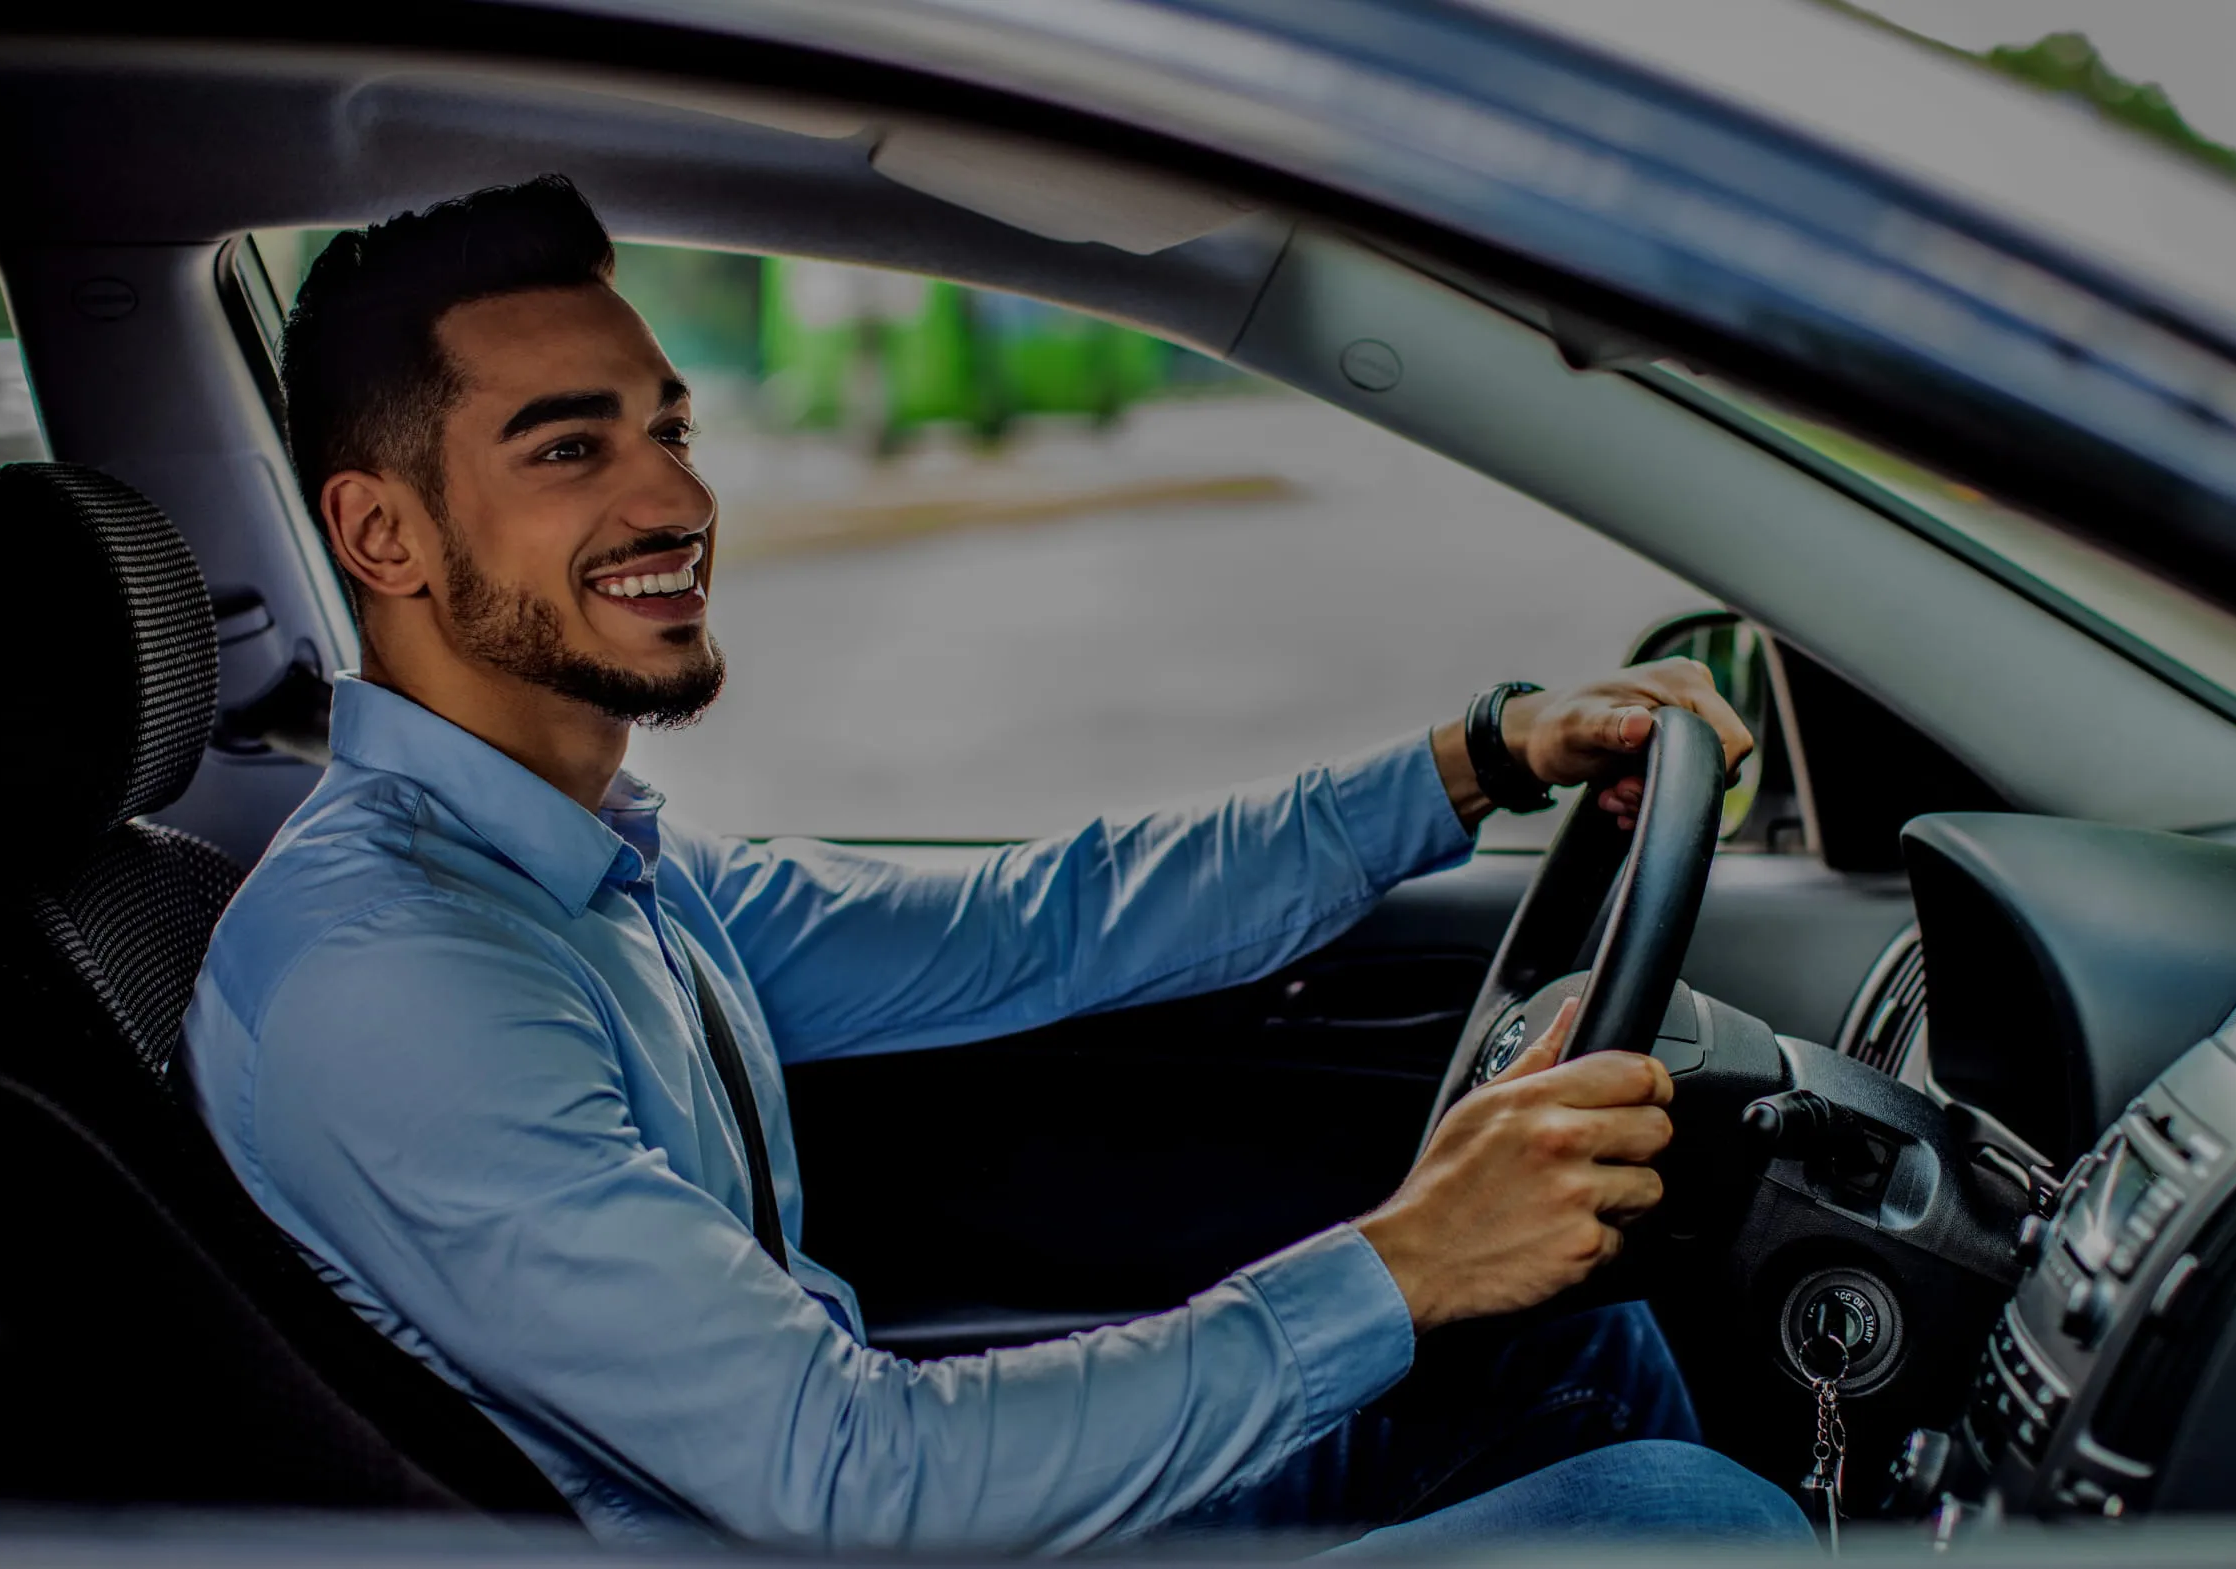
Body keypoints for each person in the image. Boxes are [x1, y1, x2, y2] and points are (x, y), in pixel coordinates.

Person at [183, 175, 1807, 1553]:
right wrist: (1403, 1260)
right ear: (382, 535)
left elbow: (1051, 922)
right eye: (566, 450)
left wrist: (1476, 757)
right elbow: (841, 1474)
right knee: (1678, 1518)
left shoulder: (586, 871)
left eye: (665, 426)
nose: (676, 494)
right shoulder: (396, 976)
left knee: (1565, 1337)